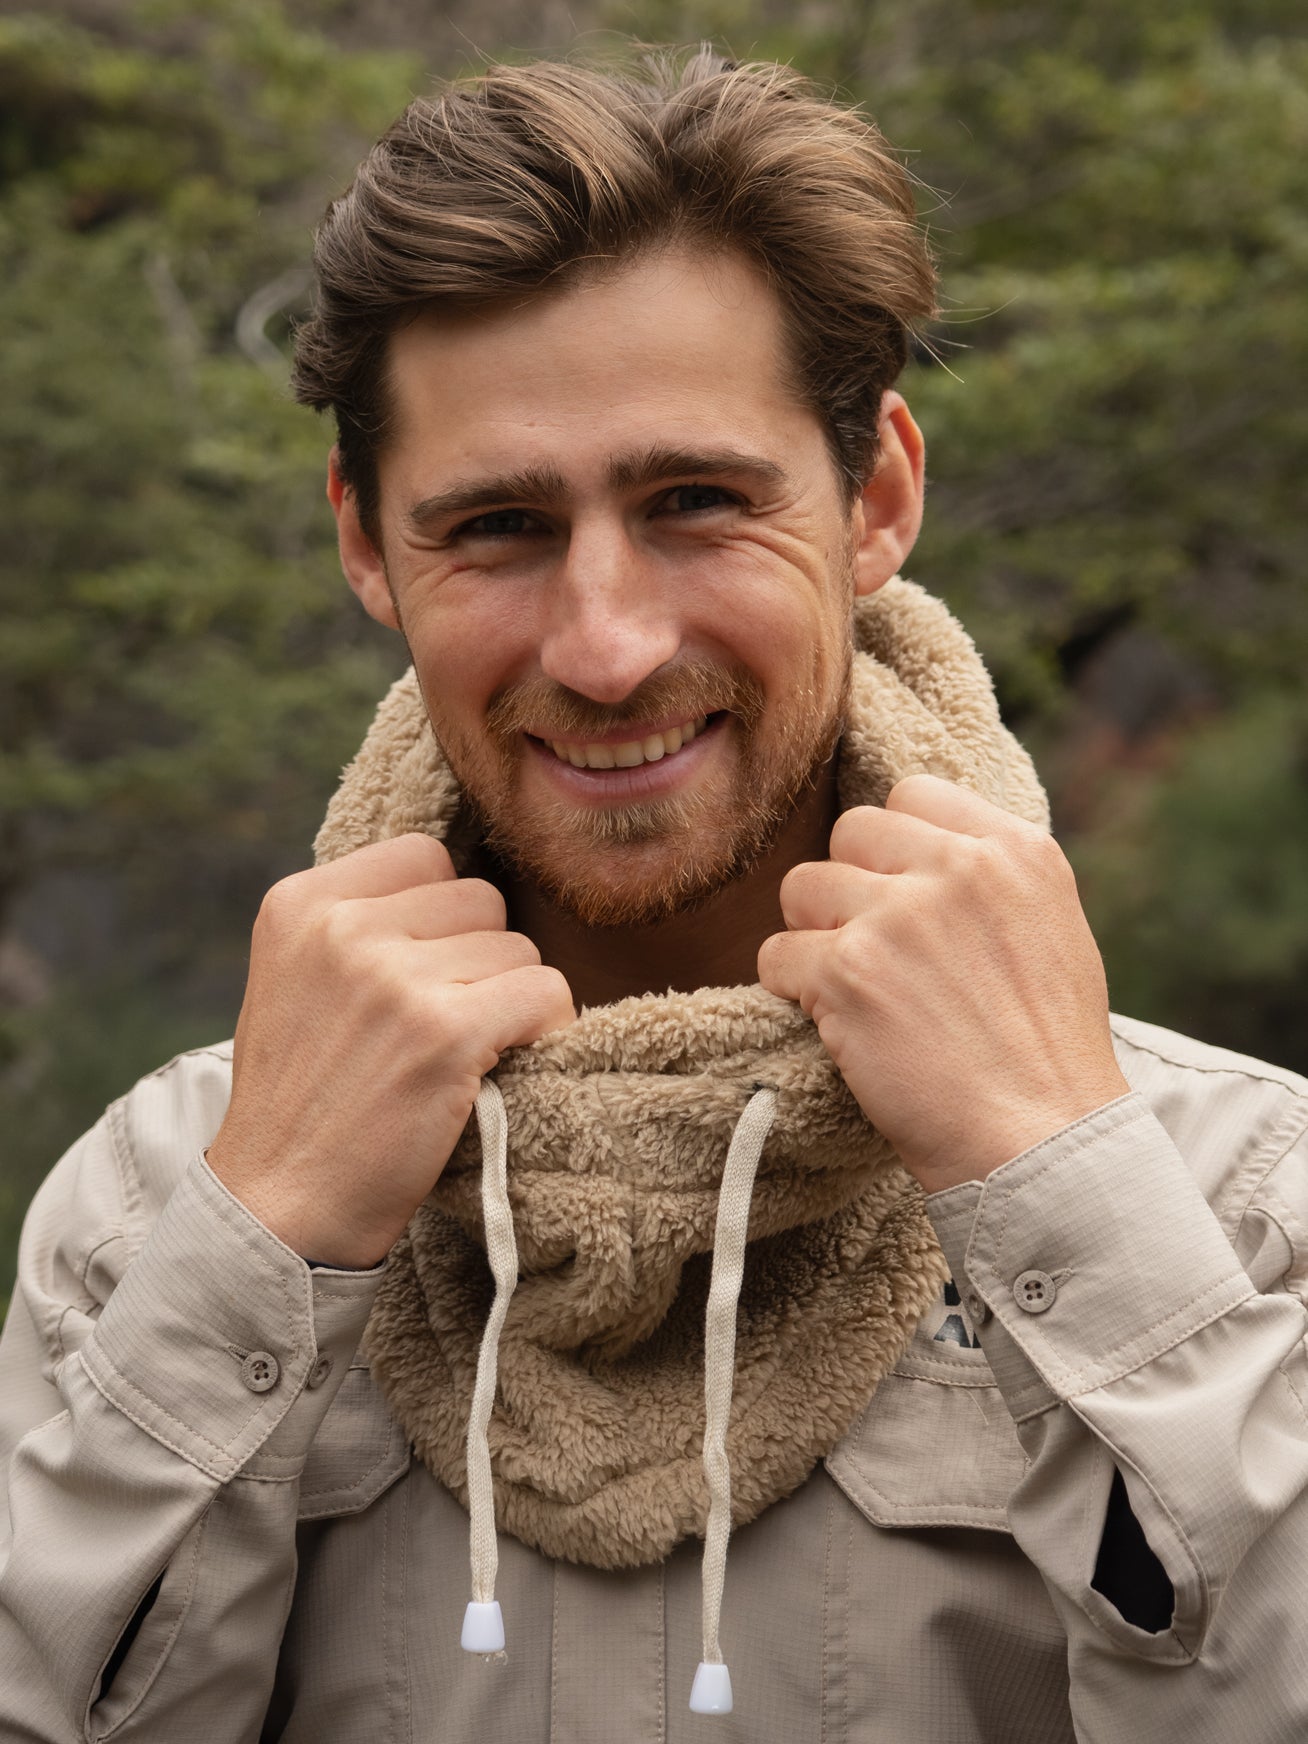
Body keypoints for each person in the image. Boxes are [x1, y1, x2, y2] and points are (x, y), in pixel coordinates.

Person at [2, 49, 1306, 1744]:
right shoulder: (157, 1205)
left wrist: (1057, 1175)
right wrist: (264, 1242)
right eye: (497, 526)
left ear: (877, 499)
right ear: (367, 546)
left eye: (696, 502)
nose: (606, 647)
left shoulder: (1242, 1207)